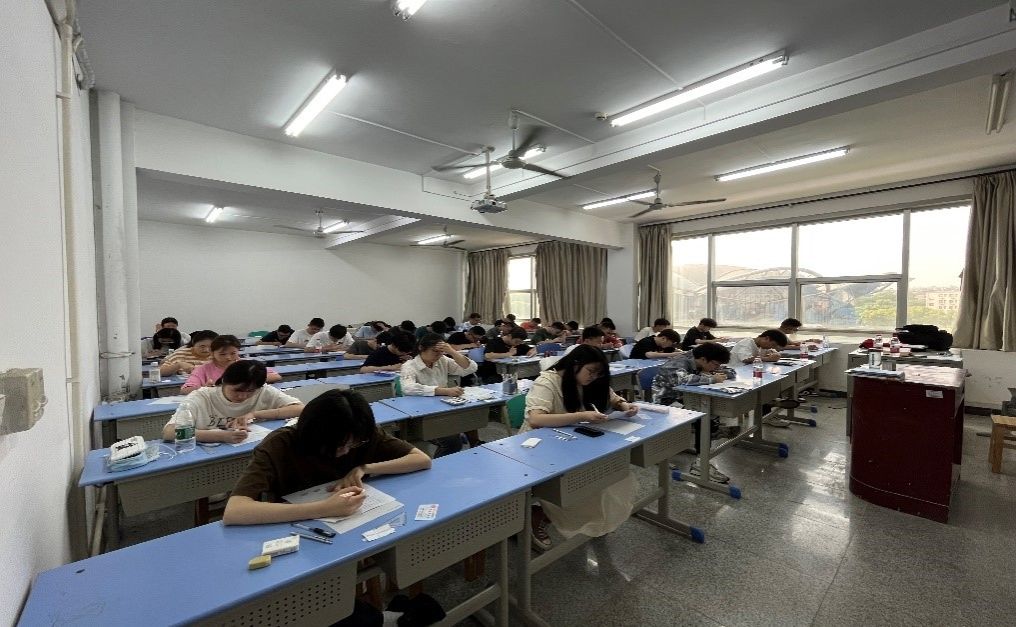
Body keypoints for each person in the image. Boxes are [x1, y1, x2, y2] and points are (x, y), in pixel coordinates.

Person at [222, 389, 432, 525]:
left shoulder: (362, 433)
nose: (346, 451)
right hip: (295, 524)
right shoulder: (280, 444)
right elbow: (234, 511)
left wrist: (364, 468)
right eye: (339, 446)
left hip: (354, 521)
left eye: (353, 444)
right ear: (314, 434)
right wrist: (325, 509)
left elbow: (421, 459)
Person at [522, 345, 639, 550]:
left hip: (570, 441)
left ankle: (595, 519)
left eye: (598, 374)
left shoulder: (591, 381)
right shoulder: (548, 381)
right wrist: (581, 416)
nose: (593, 377)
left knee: (612, 472)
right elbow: (536, 419)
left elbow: (611, 396)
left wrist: (623, 405)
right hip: (538, 446)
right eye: (591, 371)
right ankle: (539, 514)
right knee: (580, 480)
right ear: (575, 364)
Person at [651, 343, 738, 483]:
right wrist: (712, 378)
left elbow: (730, 371)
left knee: (710, 409)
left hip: (686, 398)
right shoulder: (677, 363)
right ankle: (701, 461)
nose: (717, 367)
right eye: (715, 364)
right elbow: (682, 380)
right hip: (666, 402)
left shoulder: (703, 359)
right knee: (704, 416)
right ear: (703, 359)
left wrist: (719, 373)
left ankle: (710, 434)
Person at [162, 360, 304, 444]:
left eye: (250, 391)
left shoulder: (263, 390)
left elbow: (300, 409)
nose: (243, 396)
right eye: (237, 390)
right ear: (224, 381)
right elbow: (169, 432)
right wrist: (220, 436)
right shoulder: (201, 397)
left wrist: (254, 414)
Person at [400, 333, 480, 457]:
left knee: (470, 419)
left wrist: (452, 351)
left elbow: (470, 368)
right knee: (452, 443)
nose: (438, 355)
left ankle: (475, 446)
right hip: (422, 414)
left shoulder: (442, 360)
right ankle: (437, 466)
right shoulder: (409, 366)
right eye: (435, 351)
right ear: (421, 348)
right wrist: (443, 391)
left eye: (441, 352)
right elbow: (408, 388)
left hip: (443, 408)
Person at [181, 335, 282, 392]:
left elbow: (276, 376)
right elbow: (185, 390)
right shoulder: (203, 369)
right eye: (222, 354)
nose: (228, 357)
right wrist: (204, 388)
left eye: (233, 353)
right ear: (212, 353)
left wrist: (246, 380)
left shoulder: (246, 364)